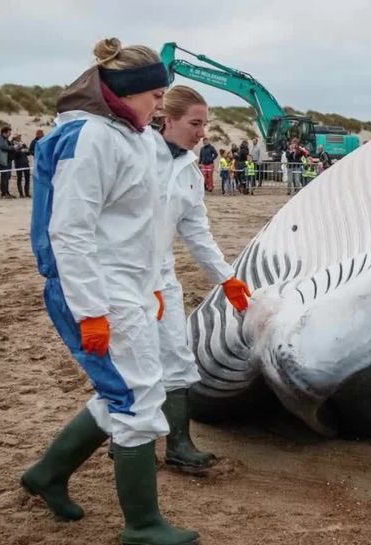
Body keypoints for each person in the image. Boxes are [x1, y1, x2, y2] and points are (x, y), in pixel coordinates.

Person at [20, 37, 197, 545]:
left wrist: (149, 291)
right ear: (125, 92)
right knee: (138, 397)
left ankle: (48, 474)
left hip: (127, 288)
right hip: (96, 290)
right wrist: (92, 312)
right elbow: (70, 233)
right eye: (154, 95)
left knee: (124, 391)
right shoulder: (89, 138)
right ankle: (141, 522)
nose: (159, 105)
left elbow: (137, 225)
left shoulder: (134, 137)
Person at [150, 85, 251, 472]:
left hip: (162, 279)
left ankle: (178, 443)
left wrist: (227, 279)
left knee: (176, 357)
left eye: (205, 124)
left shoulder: (190, 171)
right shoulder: (140, 158)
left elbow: (196, 233)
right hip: (127, 279)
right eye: (195, 123)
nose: (202, 133)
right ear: (168, 120)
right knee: (132, 365)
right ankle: (127, 440)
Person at [0, 126, 16, 198]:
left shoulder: (6, 139)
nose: (10, 134)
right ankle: (3, 193)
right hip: (2, 160)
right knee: (4, 176)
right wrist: (13, 147)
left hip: (7, 160)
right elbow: (3, 147)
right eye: (9, 133)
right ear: (4, 133)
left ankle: (6, 192)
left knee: (7, 176)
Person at [11, 133, 31, 197]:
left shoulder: (23, 143)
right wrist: (19, 150)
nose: (19, 138)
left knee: (27, 178)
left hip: (25, 163)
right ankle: (21, 194)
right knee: (19, 178)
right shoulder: (12, 144)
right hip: (18, 163)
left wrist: (26, 150)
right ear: (15, 138)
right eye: (18, 137)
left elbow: (29, 152)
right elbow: (13, 154)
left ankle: (27, 193)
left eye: (20, 137)